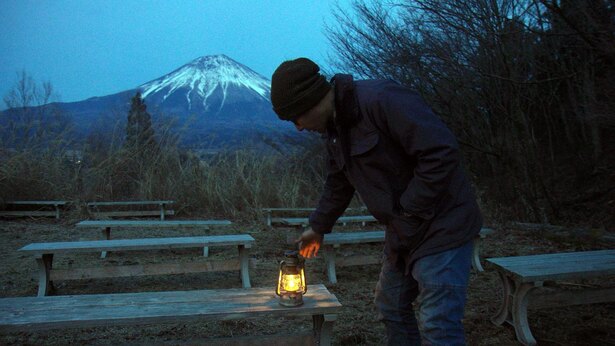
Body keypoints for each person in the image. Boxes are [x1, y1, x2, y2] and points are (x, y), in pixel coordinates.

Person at [270, 57, 482, 346]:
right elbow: (339, 181)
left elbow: (440, 153)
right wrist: (318, 226)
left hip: (442, 225)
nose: (298, 128)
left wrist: (408, 210)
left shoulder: (382, 100)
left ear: (311, 101)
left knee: (438, 324)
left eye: (296, 118)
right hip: (402, 231)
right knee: (391, 307)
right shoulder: (334, 130)